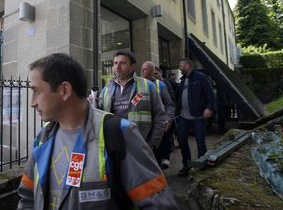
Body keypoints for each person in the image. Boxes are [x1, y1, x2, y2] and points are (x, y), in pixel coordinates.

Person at [17, 53, 179, 209]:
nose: (32, 102)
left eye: (36, 91)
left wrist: (152, 144)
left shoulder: (120, 133)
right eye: (115, 63)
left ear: (65, 90)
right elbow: (28, 197)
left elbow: (158, 204)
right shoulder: (43, 136)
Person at [98, 50, 167, 150]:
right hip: (114, 144)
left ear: (132, 67)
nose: (117, 67)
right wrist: (92, 103)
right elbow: (100, 113)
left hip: (140, 145)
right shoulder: (107, 88)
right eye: (115, 63)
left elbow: (160, 116)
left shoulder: (148, 86)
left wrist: (152, 144)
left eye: (122, 63)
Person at [176, 58, 216, 175]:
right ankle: (187, 165)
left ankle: (201, 166)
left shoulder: (201, 77)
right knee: (182, 140)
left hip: (198, 116)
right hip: (183, 116)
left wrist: (209, 108)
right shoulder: (183, 80)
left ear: (188, 65)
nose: (179, 68)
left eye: (180, 65)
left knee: (200, 142)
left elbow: (210, 94)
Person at [141, 61, 175, 169]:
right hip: (144, 125)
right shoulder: (137, 84)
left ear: (152, 71)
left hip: (158, 123)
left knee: (158, 150)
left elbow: (170, 104)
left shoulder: (160, 85)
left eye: (145, 69)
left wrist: (169, 120)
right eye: (142, 69)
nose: (142, 71)